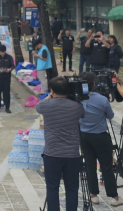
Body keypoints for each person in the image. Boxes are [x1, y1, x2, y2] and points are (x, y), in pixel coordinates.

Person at [36, 77, 85, 211]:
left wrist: (50, 96)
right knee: (72, 188)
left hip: (52, 154)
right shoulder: (77, 106)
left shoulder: (45, 106)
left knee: (52, 188)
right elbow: (83, 115)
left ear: (52, 90)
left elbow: (38, 106)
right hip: (72, 155)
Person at [79, 73, 123, 206]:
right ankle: (114, 197)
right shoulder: (102, 99)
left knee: (90, 165)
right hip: (100, 136)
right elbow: (110, 116)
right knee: (106, 166)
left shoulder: (77, 99)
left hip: (84, 136)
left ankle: (93, 195)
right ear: (93, 83)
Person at [0, 45, 15, 113]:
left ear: (5, 51)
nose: (2, 54)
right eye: (1, 52)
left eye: (3, 52)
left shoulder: (9, 57)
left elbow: (13, 66)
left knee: (6, 93)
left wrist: (10, 69)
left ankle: (7, 107)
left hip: (6, 78)